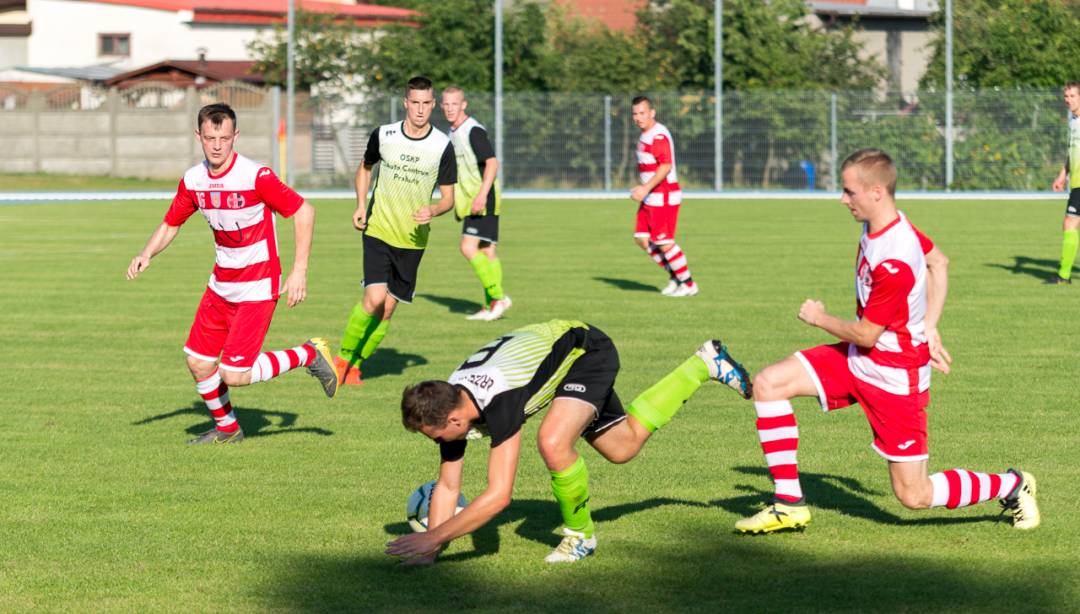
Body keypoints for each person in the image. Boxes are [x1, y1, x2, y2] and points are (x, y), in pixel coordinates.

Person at [735, 148, 1040, 534]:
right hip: (858, 359)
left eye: (849, 191)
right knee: (769, 383)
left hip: (894, 377)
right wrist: (929, 326)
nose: (842, 199)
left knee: (914, 495)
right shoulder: (890, 225)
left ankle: (1012, 485)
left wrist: (819, 318)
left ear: (876, 192)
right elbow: (939, 262)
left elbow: (867, 332)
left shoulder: (894, 259)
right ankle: (788, 504)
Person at [384, 319, 752, 565]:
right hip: (558, 359)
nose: (436, 442)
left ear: (453, 420)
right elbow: (449, 484)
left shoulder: (499, 401)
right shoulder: (451, 401)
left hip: (587, 352)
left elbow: (499, 496)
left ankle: (580, 538)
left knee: (552, 441)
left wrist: (433, 537)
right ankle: (703, 365)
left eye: (435, 436)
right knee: (622, 447)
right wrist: (430, 548)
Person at [126, 102, 339, 444]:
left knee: (234, 374)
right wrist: (146, 253)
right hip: (221, 284)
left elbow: (305, 212)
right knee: (198, 362)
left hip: (257, 284)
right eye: (210, 138)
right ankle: (227, 429)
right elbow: (171, 223)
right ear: (198, 136)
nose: (217, 146)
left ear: (235, 136)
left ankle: (308, 354)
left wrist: (299, 271)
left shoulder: (255, 176)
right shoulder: (193, 180)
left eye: (224, 138)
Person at [335, 76, 457, 384]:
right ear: (406, 103)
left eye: (426, 103)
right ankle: (341, 360)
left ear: (433, 105)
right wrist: (360, 205)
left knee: (387, 310)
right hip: (378, 229)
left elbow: (449, 199)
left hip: (412, 241)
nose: (420, 109)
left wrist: (434, 210)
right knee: (374, 299)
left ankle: (357, 364)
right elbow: (365, 168)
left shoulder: (442, 146)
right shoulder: (384, 135)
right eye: (414, 103)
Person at [440, 86, 511, 321]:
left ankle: (499, 297)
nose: (450, 108)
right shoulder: (452, 132)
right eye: (446, 104)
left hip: (482, 199)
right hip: (472, 200)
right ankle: (491, 305)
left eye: (454, 104)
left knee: (467, 247)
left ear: (464, 105)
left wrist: (481, 195)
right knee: (486, 251)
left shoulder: (473, 130)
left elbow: (492, 163)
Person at [630, 96, 697, 297]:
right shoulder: (645, 134)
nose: (638, 117)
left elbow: (666, 166)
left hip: (663, 195)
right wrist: (644, 188)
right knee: (641, 238)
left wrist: (645, 188)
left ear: (652, 113)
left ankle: (689, 284)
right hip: (651, 195)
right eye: (635, 114)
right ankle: (676, 277)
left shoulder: (658, 136)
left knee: (664, 241)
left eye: (642, 113)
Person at [1047, 81, 1080, 284]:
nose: (1068, 100)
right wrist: (1062, 175)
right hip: (1076, 182)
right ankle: (1064, 275)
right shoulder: (1073, 122)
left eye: (1072, 96)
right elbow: (1072, 152)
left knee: (1069, 223)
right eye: (1066, 97)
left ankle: (1064, 275)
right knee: (1070, 223)